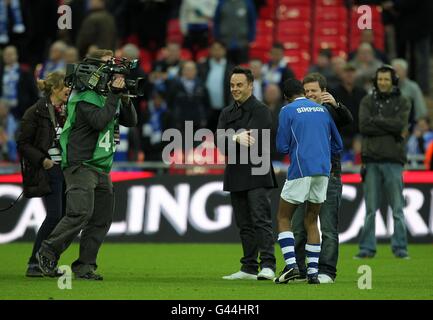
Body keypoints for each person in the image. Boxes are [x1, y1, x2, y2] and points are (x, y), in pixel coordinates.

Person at [36, 49, 138, 280]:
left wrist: (123, 97)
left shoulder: (104, 96)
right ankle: (48, 249)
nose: (111, 70)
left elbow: (131, 121)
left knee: (101, 219)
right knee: (80, 213)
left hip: (101, 166)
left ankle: (84, 266)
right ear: (91, 69)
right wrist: (114, 95)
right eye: (107, 65)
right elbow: (99, 121)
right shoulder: (83, 95)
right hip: (81, 163)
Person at [274, 78, 343, 285]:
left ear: (286, 96)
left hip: (301, 169)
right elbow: (337, 144)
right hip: (323, 171)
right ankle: (313, 272)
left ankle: (292, 267)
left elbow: (281, 146)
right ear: (302, 92)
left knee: (283, 217)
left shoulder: (287, 110)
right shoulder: (321, 110)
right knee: (312, 220)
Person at [217, 66, 278, 280]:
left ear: (250, 85)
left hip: (256, 171)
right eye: (232, 85)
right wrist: (235, 137)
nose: (235, 89)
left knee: (260, 219)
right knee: (243, 223)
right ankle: (249, 267)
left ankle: (268, 264)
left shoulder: (261, 110)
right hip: (235, 172)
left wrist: (231, 137)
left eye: (239, 85)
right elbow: (221, 144)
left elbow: (252, 141)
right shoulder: (226, 112)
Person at [291, 72, 353, 284]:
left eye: (313, 91)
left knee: (327, 227)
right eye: (306, 91)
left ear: (323, 92)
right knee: (298, 226)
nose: (309, 95)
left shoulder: (330, 111)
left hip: (330, 174)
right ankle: (299, 269)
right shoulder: (298, 112)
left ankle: (327, 271)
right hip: (302, 174)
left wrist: (337, 105)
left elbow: (349, 122)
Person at [16, 71, 71, 277]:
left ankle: (46, 261)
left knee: (65, 217)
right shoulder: (36, 111)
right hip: (50, 169)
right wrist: (43, 161)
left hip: (67, 170)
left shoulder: (68, 110)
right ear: (55, 88)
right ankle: (34, 263)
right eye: (66, 86)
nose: (69, 89)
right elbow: (23, 143)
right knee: (55, 216)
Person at [355, 65, 410, 259]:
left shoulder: (402, 101)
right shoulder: (366, 101)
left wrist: (376, 121)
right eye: (380, 80)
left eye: (386, 79)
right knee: (370, 209)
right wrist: (389, 125)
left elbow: (400, 125)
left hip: (394, 160)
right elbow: (363, 126)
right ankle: (367, 249)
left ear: (393, 81)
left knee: (397, 208)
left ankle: (400, 248)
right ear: (375, 81)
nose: (383, 83)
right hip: (371, 161)